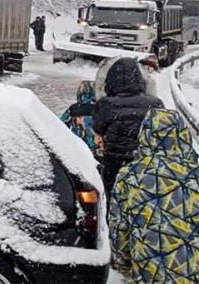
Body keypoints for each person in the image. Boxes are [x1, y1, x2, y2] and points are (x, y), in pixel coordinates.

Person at [109, 109, 199, 283]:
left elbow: (119, 228)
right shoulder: (195, 173)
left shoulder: (131, 175)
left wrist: (124, 265)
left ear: (145, 134)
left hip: (149, 273)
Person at [94, 57, 164, 197]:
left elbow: (98, 128)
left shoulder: (105, 104)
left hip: (116, 161)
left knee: (115, 195)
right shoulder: (156, 104)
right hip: (147, 161)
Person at [59, 81, 101, 156]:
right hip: (96, 149)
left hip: (77, 148)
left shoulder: (73, 108)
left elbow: (60, 126)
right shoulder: (101, 109)